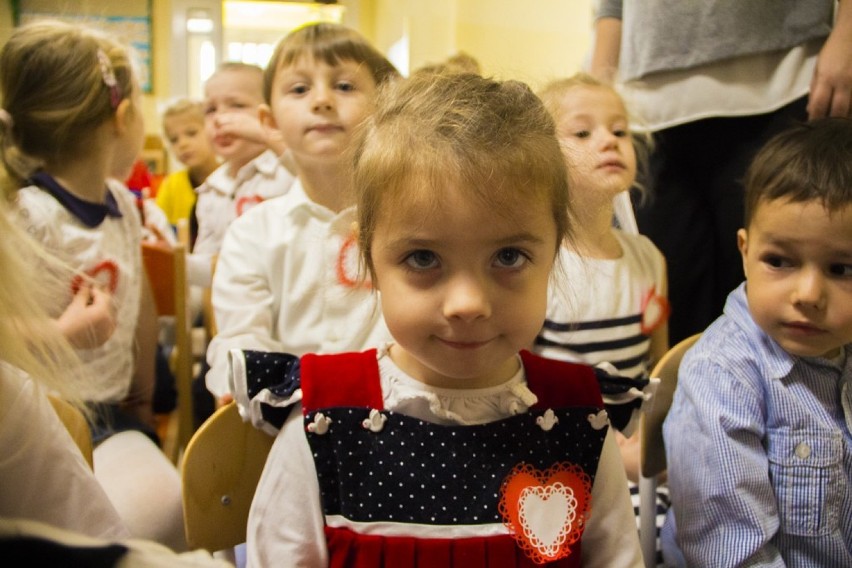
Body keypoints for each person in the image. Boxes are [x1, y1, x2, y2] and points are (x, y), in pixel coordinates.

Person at [231, 71, 643, 567]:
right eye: (424, 259)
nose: (467, 303)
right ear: (368, 261)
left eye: (508, 256)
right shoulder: (325, 423)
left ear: (554, 254)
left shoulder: (581, 418)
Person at [0, 20, 185, 550]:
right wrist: (56, 331)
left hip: (109, 412)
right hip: (35, 421)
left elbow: (143, 311)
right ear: (123, 116)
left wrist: (146, 399)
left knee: (158, 512)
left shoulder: (122, 203)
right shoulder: (23, 211)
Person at [590, 0, 852, 346]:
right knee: (676, 301)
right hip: (651, 110)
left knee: (787, 307)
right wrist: (598, 89)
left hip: (784, 83)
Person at [663, 117, 852, 566]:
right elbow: (732, 553)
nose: (807, 294)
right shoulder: (721, 377)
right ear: (745, 252)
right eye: (779, 261)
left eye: (841, 269)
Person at [204, 23, 399, 404]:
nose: (322, 100)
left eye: (344, 86)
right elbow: (242, 341)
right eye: (299, 89)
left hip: (398, 419)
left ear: (382, 111)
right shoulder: (253, 233)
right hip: (287, 417)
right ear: (269, 122)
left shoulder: (411, 224)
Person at [534, 72, 670, 565]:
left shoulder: (648, 257)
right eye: (583, 132)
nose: (609, 141)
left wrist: (655, 447)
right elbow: (523, 383)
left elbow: (659, 375)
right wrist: (615, 455)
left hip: (638, 455)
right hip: (558, 446)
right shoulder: (541, 262)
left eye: (619, 130)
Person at [189, 62, 296, 288]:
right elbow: (208, 266)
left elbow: (322, 180)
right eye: (210, 110)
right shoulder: (211, 188)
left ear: (269, 114)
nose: (219, 119)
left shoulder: (287, 170)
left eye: (236, 106)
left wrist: (266, 134)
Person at [155, 98, 219, 232]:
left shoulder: (232, 179)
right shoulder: (171, 186)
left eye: (191, 133)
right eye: (174, 140)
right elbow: (159, 229)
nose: (182, 144)